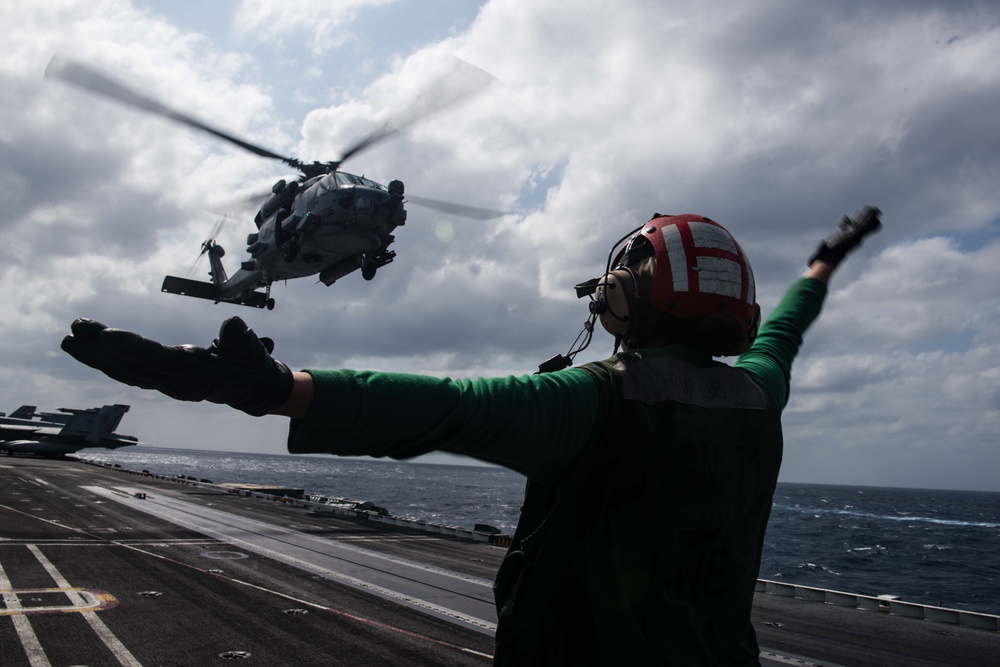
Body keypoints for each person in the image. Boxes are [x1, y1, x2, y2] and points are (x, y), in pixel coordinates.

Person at [62, 207, 882, 666]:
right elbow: (786, 330)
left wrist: (267, 388)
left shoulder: (594, 402)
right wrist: (822, 264)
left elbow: (441, 404)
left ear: (631, 300)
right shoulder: (758, 394)